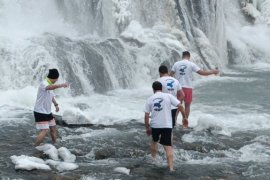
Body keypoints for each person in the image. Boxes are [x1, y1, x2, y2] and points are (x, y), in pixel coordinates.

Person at [144, 81, 187, 172]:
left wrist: (147, 128)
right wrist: (184, 117)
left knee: (154, 142)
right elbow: (180, 106)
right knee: (168, 146)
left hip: (155, 125)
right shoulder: (168, 96)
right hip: (167, 125)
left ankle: (154, 160)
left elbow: (146, 115)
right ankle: (171, 168)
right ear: (162, 89)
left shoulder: (150, 99)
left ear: (153, 89)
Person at [170, 51, 219, 128]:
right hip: (188, 87)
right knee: (187, 106)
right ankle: (184, 123)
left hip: (178, 87)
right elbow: (202, 73)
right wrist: (212, 72)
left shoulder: (176, 64)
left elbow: (170, 75)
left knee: (178, 105)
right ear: (189, 57)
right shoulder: (191, 64)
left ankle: (174, 121)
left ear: (182, 56)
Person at [33, 69, 68, 146]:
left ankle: (54, 143)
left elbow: (51, 96)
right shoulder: (44, 83)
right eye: (57, 79)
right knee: (44, 130)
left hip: (47, 112)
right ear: (55, 78)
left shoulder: (49, 83)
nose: (57, 80)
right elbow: (49, 88)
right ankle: (35, 146)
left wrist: (56, 104)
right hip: (40, 111)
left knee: (53, 127)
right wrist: (61, 85)